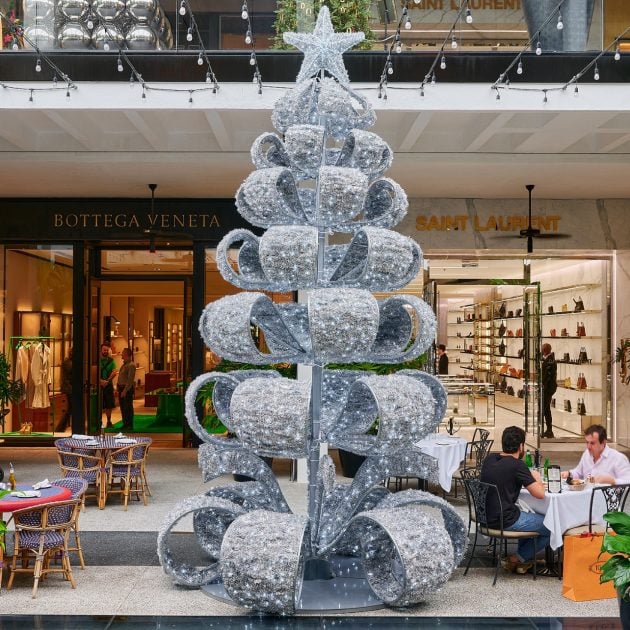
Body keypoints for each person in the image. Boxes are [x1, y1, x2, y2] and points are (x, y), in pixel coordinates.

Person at [480, 425, 550, 574]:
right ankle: (516, 558)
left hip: (484, 516)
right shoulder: (517, 465)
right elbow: (540, 494)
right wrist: (537, 479)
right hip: (504, 519)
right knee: (552, 526)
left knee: (527, 515)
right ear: (521, 446)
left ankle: (523, 560)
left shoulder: (489, 459)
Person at [561, 424, 630, 485]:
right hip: (585, 495)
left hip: (607, 498)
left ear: (603, 442)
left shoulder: (618, 458)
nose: (588, 447)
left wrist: (612, 481)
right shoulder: (587, 454)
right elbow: (579, 472)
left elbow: (628, 481)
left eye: (592, 443)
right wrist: (569, 474)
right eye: (587, 442)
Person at [117, 348, 136, 431]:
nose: (121, 354)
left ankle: (129, 424)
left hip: (126, 389)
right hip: (121, 388)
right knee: (123, 407)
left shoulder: (131, 365)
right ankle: (125, 423)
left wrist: (125, 390)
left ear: (127, 355)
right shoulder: (124, 364)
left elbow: (130, 380)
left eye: (123, 353)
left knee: (127, 407)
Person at [541, 342, 557, 438]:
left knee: (543, 409)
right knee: (546, 410)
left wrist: (543, 387)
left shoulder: (550, 361)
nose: (541, 351)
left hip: (547, 389)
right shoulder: (548, 360)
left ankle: (544, 430)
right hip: (547, 388)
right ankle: (549, 430)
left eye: (542, 349)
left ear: (545, 350)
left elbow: (548, 377)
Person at [100, 343, 117, 428]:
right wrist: (100, 381)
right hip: (99, 385)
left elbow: (114, 372)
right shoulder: (97, 360)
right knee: (98, 404)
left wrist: (107, 381)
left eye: (107, 350)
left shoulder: (111, 360)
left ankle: (109, 421)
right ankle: (98, 421)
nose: (105, 351)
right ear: (101, 350)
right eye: (104, 350)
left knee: (109, 404)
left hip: (108, 385)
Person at [55, 348, 72, 432]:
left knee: (71, 409)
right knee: (70, 409)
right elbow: (71, 374)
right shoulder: (68, 363)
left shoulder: (68, 362)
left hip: (69, 388)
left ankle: (61, 428)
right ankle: (60, 428)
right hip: (69, 388)